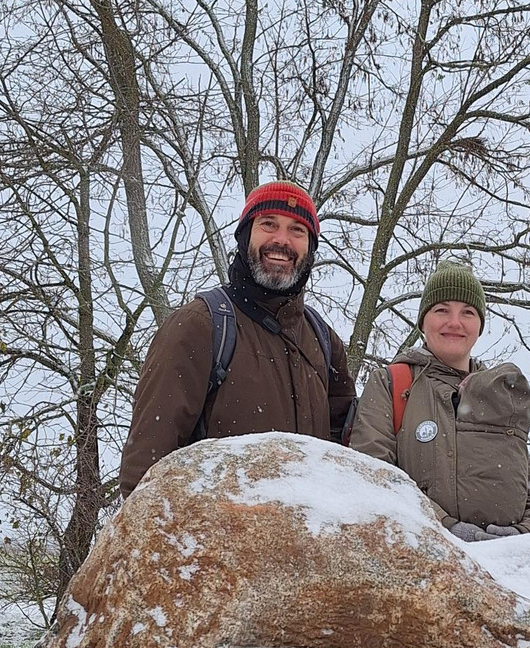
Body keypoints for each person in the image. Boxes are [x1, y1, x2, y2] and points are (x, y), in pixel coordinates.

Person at [121, 182, 356, 497]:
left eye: (297, 230)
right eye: (268, 224)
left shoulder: (323, 340)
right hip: (212, 539)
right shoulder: (200, 325)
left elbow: (348, 458)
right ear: (246, 235)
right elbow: (145, 470)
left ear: (310, 249)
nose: (281, 240)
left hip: (304, 541)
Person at [351, 257, 530, 539]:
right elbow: (373, 473)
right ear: (423, 320)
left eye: (468, 312)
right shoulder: (391, 382)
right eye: (442, 310)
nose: (454, 322)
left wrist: (521, 537)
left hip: (503, 566)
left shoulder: (499, 392)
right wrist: (447, 528)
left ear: (479, 325)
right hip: (418, 557)